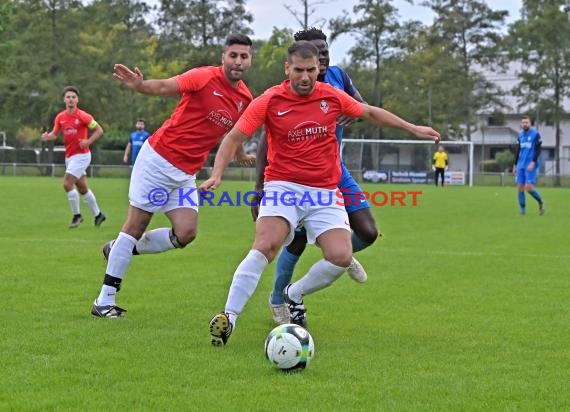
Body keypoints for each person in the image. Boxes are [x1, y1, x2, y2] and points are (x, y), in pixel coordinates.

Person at [201, 40, 440, 346]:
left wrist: (414, 128)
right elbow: (234, 137)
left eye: (311, 70)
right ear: (287, 69)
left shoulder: (331, 95)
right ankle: (229, 318)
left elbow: (370, 112)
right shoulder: (270, 99)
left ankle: (293, 293)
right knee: (266, 244)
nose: (305, 77)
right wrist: (218, 173)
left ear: (318, 69)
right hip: (283, 186)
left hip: (324, 191)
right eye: (298, 70)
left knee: (341, 257)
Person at [90, 33, 255, 318]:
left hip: (184, 174)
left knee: (186, 233)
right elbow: (165, 86)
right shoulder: (203, 77)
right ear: (223, 57)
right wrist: (140, 85)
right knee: (135, 226)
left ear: (249, 60)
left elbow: (235, 131)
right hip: (157, 160)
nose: (238, 61)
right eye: (233, 55)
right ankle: (104, 300)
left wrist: (239, 154)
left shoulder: (245, 98)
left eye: (244, 56)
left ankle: (118, 249)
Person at [253, 27, 379, 325]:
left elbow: (361, 106)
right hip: (296, 178)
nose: (321, 56)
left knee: (368, 232)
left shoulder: (338, 76)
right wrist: (259, 186)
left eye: (324, 51)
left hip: (335, 170)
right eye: (314, 52)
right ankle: (279, 300)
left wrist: (353, 110)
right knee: (294, 242)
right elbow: (264, 141)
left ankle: (339, 254)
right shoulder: (287, 91)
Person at [41, 86, 107, 229]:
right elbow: (55, 134)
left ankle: (77, 216)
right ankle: (98, 215)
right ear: (64, 99)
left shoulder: (83, 116)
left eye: (73, 97)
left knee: (67, 184)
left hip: (82, 156)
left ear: (77, 100)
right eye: (68, 97)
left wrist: (88, 142)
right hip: (70, 157)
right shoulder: (60, 117)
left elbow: (99, 130)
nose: (70, 99)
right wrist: (48, 137)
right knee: (82, 188)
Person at [513, 115, 545, 215]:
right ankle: (523, 211)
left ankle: (541, 202)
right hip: (520, 164)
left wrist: (533, 162)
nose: (525, 124)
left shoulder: (535, 134)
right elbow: (518, 150)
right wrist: (515, 164)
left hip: (530, 164)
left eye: (527, 122)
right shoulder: (520, 135)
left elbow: (538, 149)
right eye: (523, 122)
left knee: (528, 187)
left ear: (530, 124)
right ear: (521, 124)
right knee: (520, 187)